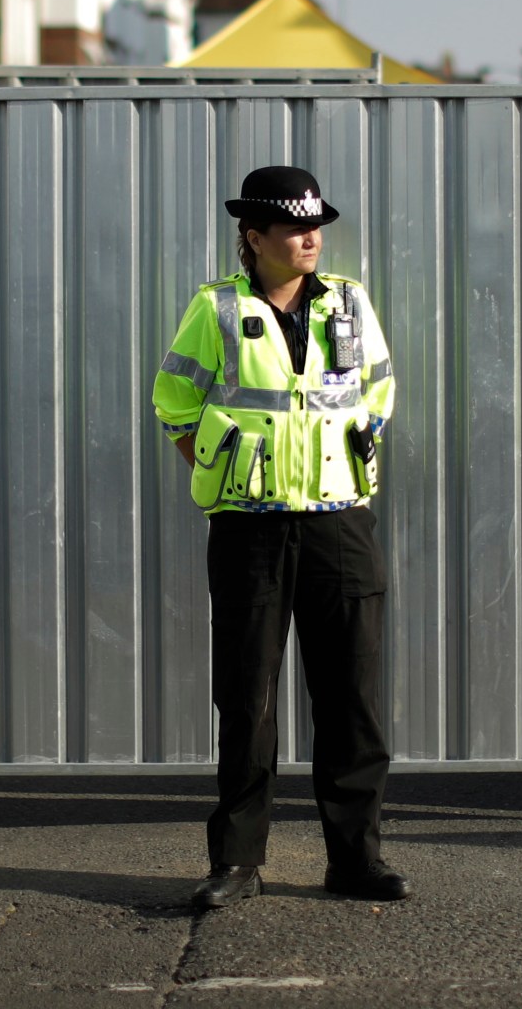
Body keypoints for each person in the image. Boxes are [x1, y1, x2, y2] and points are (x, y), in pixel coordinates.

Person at [149, 166, 408, 912]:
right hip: (250, 533)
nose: (310, 237)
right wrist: (223, 469)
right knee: (248, 700)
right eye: (293, 227)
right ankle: (236, 863)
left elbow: (379, 394)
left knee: (352, 700)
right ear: (253, 237)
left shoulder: (350, 303)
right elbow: (175, 402)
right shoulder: (217, 310)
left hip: (340, 526)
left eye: (315, 224)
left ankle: (355, 861)